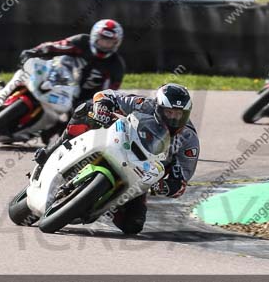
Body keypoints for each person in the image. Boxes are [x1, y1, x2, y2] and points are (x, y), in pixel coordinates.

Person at [35, 82, 200, 235]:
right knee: (87, 109)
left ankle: (107, 205)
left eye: (179, 114)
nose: (173, 118)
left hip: (141, 174)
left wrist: (165, 186)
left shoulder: (189, 142)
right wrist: (103, 107)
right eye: (169, 112)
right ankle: (52, 150)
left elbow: (181, 182)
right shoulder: (145, 105)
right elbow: (106, 95)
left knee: (133, 225)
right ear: (158, 107)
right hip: (120, 143)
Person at [0, 20, 126, 128]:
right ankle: (1, 100)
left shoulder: (116, 66)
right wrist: (34, 51)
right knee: (23, 73)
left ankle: (46, 130)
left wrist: (93, 105)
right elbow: (57, 46)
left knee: (74, 127)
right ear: (95, 37)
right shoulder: (81, 41)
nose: (105, 45)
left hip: (79, 99)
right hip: (56, 74)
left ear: (116, 43)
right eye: (103, 40)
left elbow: (109, 93)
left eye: (109, 42)